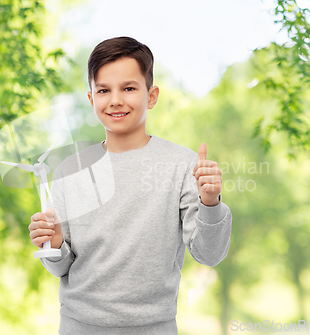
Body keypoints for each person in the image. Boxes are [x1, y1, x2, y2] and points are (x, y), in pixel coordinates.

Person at [28, 36, 232, 335]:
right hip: (78, 327)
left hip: (154, 327)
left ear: (151, 96)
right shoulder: (69, 170)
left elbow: (209, 254)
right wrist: (54, 244)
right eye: (104, 90)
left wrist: (211, 202)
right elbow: (60, 268)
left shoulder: (182, 165)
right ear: (91, 99)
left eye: (129, 88)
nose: (115, 100)